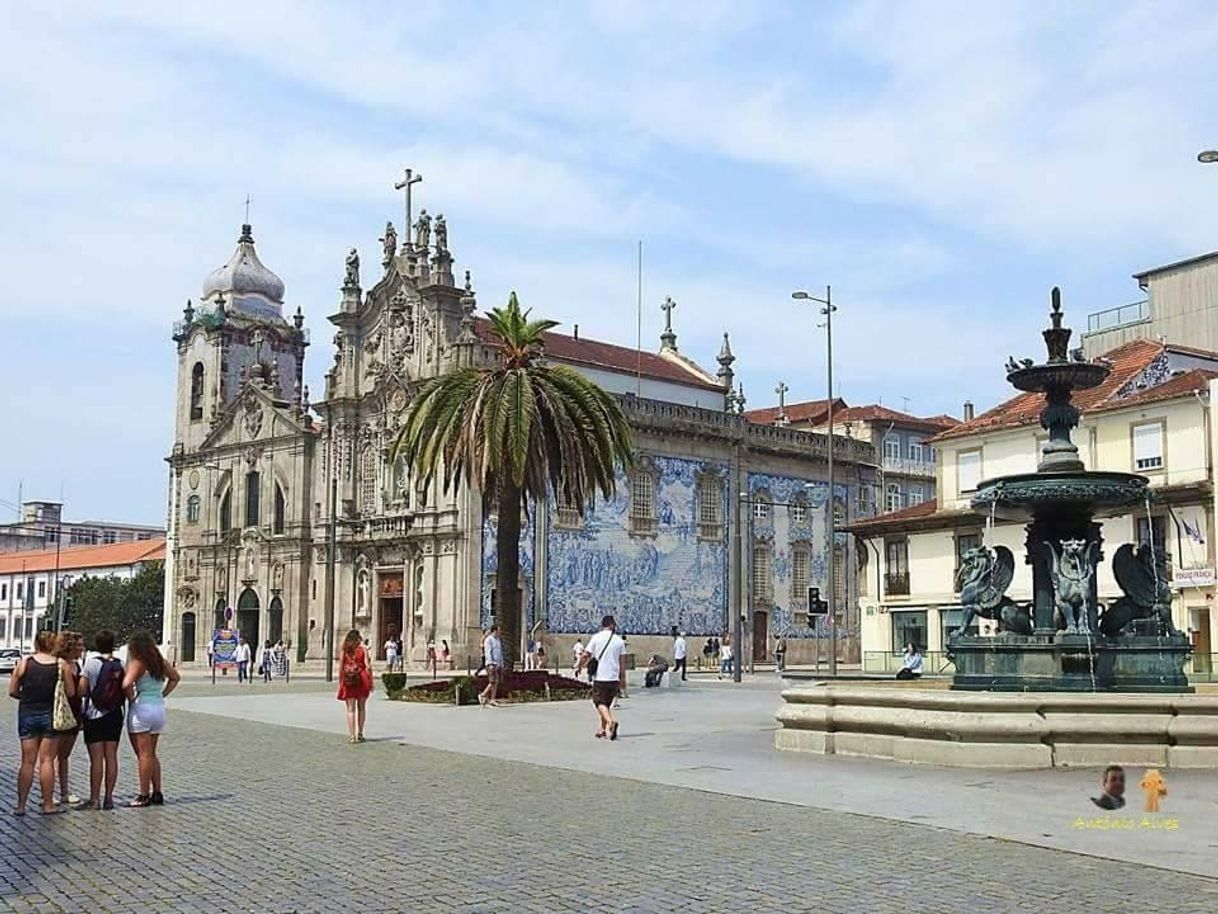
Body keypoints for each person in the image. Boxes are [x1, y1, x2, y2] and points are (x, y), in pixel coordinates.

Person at [8, 630, 77, 816]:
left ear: (36, 644)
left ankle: (20, 805)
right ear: (53, 644)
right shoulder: (60, 664)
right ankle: (48, 804)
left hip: (28, 714)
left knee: (27, 761)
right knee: (47, 760)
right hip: (50, 715)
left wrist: (27, 696)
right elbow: (71, 692)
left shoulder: (24, 663)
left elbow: (12, 690)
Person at [124, 630, 181, 808]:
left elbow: (126, 684)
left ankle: (143, 794)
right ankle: (157, 792)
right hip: (158, 707)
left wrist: (131, 697)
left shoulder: (139, 662)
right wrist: (163, 694)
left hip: (142, 708)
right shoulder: (159, 661)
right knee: (151, 753)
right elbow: (175, 677)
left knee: (143, 755)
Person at [77, 629, 126, 810]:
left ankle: (94, 799)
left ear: (97, 645)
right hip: (114, 714)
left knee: (96, 759)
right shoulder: (121, 663)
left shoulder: (91, 664)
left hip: (94, 714)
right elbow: (126, 687)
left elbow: (82, 690)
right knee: (111, 756)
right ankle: (109, 798)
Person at [577, 615, 627, 740]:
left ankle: (610, 723)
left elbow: (585, 655)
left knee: (599, 702)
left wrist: (579, 667)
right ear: (611, 625)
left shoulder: (596, 638)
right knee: (606, 705)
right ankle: (602, 729)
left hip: (600, 677)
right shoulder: (619, 641)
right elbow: (622, 664)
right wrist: (623, 680)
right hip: (613, 678)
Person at [53, 631, 86, 807]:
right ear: (69, 646)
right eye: (78, 645)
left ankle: (64, 792)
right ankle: (48, 792)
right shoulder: (60, 664)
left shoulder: (76, 665)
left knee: (64, 756)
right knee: (50, 755)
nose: (82, 648)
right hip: (60, 711)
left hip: (74, 711)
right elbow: (73, 691)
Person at [337, 629, 372, 744]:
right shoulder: (363, 650)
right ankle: (360, 733)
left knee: (350, 709)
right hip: (362, 679)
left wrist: (341, 681)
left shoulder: (345, 651)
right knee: (362, 708)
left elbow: (341, 666)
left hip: (349, 680)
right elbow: (368, 666)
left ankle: (352, 736)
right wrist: (371, 681)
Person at [480, 625, 504, 707]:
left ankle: (492, 699)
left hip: (497, 664)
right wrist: (490, 663)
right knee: (492, 681)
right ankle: (483, 695)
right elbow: (488, 652)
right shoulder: (489, 640)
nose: (500, 632)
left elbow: (499, 653)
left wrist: (501, 663)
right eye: (498, 630)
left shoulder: (498, 640)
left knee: (496, 681)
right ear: (494, 631)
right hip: (491, 664)